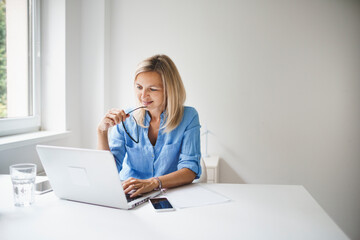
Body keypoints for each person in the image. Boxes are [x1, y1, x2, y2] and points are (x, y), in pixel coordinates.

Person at [97, 54, 201, 198]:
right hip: (130, 193)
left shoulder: (189, 117)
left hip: (169, 194)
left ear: (169, 90)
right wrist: (101, 131)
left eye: (152, 89)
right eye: (139, 87)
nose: (143, 96)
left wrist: (153, 183)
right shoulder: (126, 118)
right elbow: (107, 172)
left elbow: (190, 169)